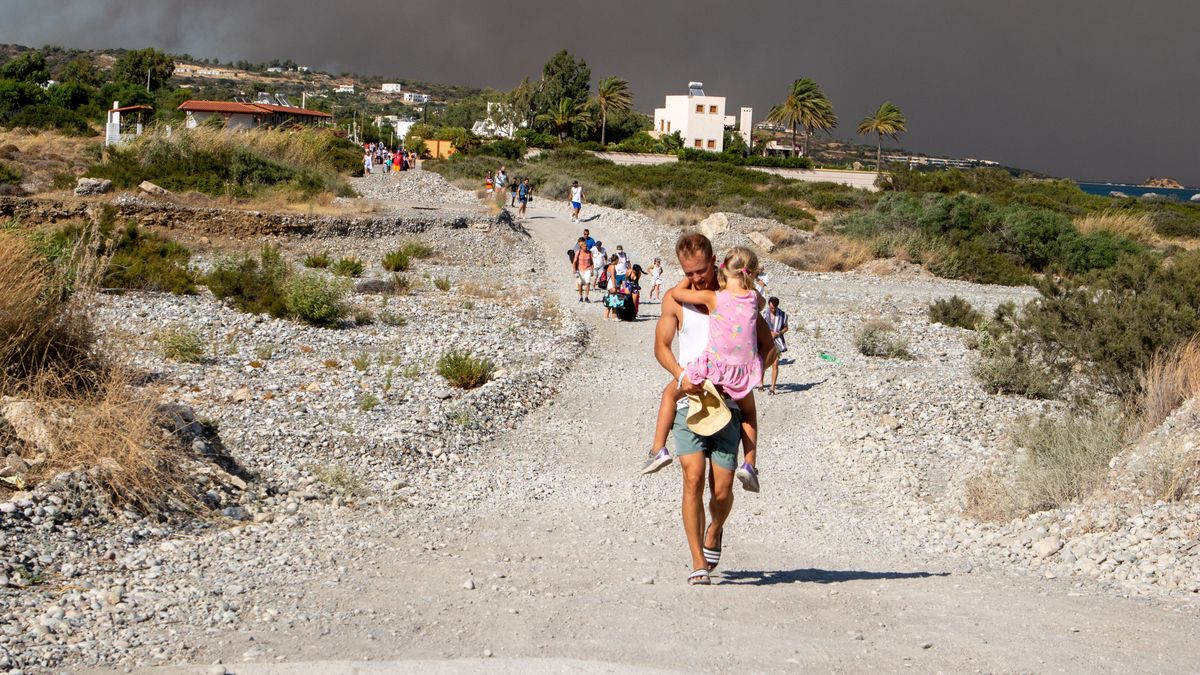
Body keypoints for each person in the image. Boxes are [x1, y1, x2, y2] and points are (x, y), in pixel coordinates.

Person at [643, 234, 777, 585]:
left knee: (721, 491)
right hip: (692, 399)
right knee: (692, 478)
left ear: (714, 261)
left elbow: (767, 344)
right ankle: (697, 560)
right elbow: (661, 345)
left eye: (702, 270)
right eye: (690, 272)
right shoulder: (677, 300)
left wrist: (750, 373)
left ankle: (715, 528)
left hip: (729, 403)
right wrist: (679, 374)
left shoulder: (736, 297)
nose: (698, 278)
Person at [760, 297, 789, 395]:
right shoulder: (763, 314)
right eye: (772, 307)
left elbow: (786, 327)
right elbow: (758, 327)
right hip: (764, 341)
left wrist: (779, 333)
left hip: (777, 341)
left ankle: (772, 387)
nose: (773, 309)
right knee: (763, 363)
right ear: (769, 305)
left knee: (775, 364)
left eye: (775, 308)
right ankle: (761, 383)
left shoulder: (783, 315)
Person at [571, 237, 593, 302]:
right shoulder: (578, 252)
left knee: (588, 282)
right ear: (581, 247)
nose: (586, 247)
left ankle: (586, 297)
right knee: (580, 283)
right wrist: (574, 270)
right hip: (580, 269)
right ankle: (581, 297)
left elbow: (591, 262)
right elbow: (574, 261)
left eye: (586, 246)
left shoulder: (589, 252)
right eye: (585, 246)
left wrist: (592, 270)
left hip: (587, 269)